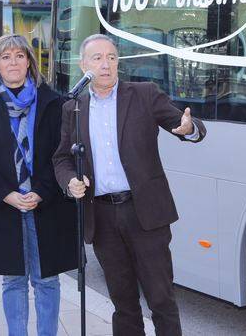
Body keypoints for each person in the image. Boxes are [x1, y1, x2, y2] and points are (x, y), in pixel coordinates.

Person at [53, 34, 207, 336]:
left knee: (161, 300)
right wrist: (70, 181)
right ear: (84, 65)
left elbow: (186, 124)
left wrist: (189, 129)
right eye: (97, 58)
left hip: (145, 214)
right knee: (123, 304)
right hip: (103, 217)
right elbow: (61, 159)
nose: (106, 64)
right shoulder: (74, 107)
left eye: (111, 57)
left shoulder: (144, 94)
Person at [0, 34, 77, 336]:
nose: (13, 62)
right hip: (4, 207)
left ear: (29, 61)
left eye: (19, 55)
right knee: (12, 280)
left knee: (47, 280)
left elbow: (61, 153)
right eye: (6, 57)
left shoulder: (54, 103)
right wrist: (8, 194)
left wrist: (40, 191)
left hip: (47, 205)